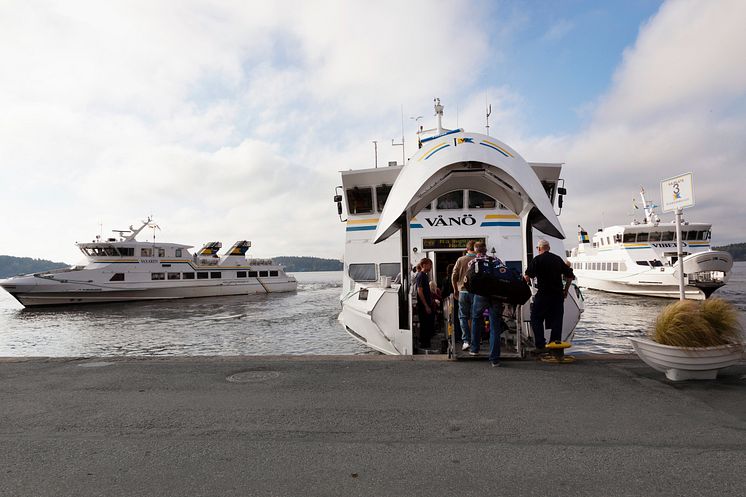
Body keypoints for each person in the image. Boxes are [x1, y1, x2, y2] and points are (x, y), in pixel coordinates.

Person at [524, 239, 575, 351]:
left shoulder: (537, 260)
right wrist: (565, 290)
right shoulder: (557, 259)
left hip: (543, 295)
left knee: (536, 318)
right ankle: (555, 344)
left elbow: (527, 277)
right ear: (549, 248)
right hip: (557, 295)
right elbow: (570, 276)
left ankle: (540, 344)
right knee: (557, 319)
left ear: (539, 249)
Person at [469, 242, 505, 367]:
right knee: (495, 326)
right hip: (496, 296)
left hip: (480, 295)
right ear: (486, 250)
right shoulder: (496, 260)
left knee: (476, 319)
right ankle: (494, 359)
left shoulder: (473, 262)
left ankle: (474, 349)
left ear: (475, 250)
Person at [451, 240, 477, 351]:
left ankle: (466, 341)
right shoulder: (478, 260)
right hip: (476, 293)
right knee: (475, 317)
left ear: (467, 249)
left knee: (463, 316)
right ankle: (476, 340)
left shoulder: (460, 260)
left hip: (463, 292)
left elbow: (454, 276)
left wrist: (455, 289)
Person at [414, 258, 435, 348]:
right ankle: (424, 343)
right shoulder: (421, 275)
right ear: (424, 265)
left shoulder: (424, 275)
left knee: (427, 323)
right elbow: (420, 290)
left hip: (426, 304)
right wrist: (426, 305)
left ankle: (426, 342)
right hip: (423, 305)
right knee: (425, 324)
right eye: (430, 265)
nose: (431, 267)